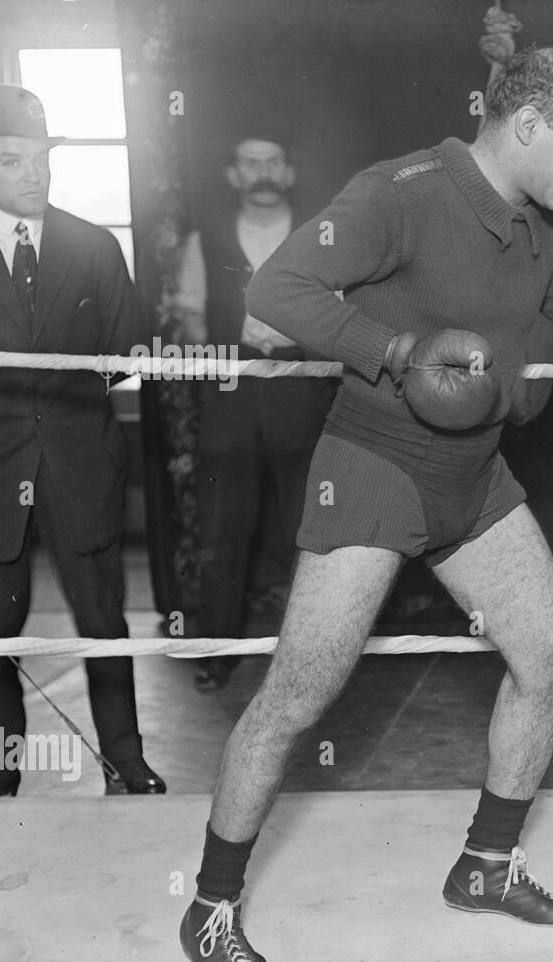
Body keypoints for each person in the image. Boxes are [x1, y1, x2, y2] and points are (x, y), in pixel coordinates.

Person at [177, 45, 553, 962]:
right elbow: (274, 292)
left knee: (550, 657)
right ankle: (209, 909)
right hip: (371, 468)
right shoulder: (400, 192)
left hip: (472, 476)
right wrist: (397, 348)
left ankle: (485, 865)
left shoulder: (540, 229)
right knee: (296, 696)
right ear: (526, 126)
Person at [0, 85, 165, 802]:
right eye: (11, 159)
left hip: (81, 460)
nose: (33, 173)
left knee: (103, 621)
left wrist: (76, 361)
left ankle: (127, 763)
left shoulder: (92, 244)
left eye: (40, 159)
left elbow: (129, 354)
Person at [173, 134, 338, 692]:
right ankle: (218, 651)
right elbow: (191, 316)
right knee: (224, 528)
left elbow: (341, 311)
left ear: (288, 173)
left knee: (311, 530)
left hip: (303, 390)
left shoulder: (323, 236)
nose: (263, 172)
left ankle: (313, 660)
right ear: (233, 175)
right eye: (251, 163)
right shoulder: (207, 238)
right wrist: (219, 350)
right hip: (232, 392)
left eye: (273, 162)